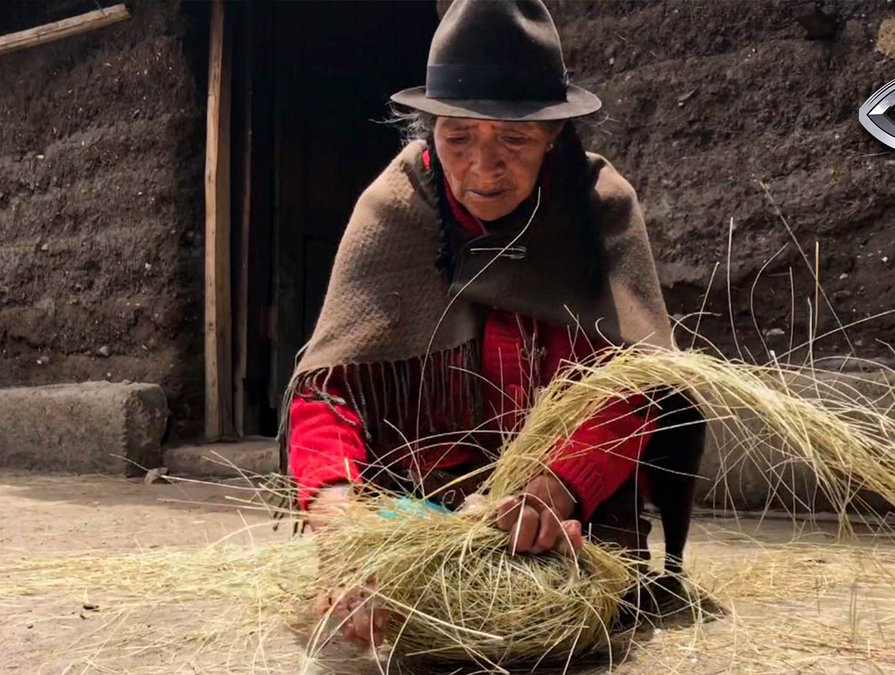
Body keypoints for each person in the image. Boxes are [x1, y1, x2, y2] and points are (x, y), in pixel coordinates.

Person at [281, 0, 706, 649]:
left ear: (554, 136)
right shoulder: (396, 212)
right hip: (422, 512)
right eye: (458, 139)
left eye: (513, 138)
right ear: (430, 131)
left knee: (553, 628)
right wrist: (346, 529)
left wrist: (551, 490)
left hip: (564, 518)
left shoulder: (599, 213)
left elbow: (635, 386)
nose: (483, 167)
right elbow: (328, 392)